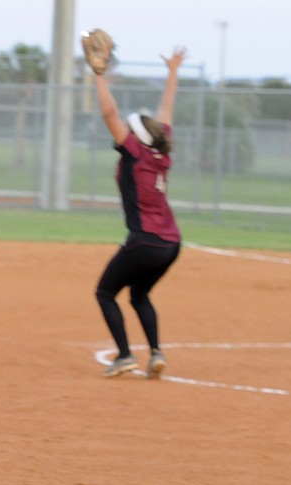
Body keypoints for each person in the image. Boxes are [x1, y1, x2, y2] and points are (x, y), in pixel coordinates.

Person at [92, 47, 187, 378]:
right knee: (140, 295)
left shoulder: (135, 153)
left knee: (105, 292)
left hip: (145, 241)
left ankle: (125, 356)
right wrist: (173, 71)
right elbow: (167, 110)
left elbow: (109, 114)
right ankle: (156, 353)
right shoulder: (160, 151)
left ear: (136, 137)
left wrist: (99, 76)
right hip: (171, 243)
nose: (126, 132)